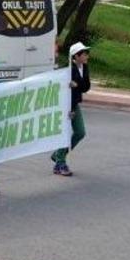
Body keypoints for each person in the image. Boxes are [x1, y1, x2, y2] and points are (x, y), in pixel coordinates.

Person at [52, 42, 91, 176]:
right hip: (67, 105)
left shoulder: (84, 67)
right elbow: (65, 90)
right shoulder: (68, 70)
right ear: (76, 56)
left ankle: (58, 155)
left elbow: (86, 87)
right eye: (84, 54)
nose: (87, 56)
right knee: (65, 133)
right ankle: (61, 163)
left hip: (75, 104)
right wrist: (70, 109)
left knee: (80, 132)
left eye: (87, 53)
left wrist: (77, 85)